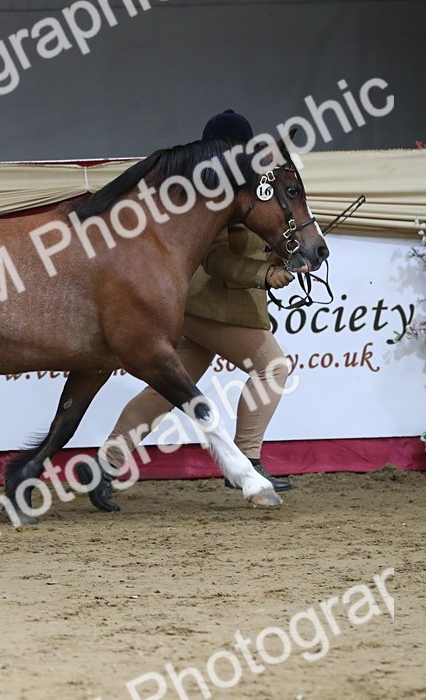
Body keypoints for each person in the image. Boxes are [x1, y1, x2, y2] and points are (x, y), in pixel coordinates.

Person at [97, 109, 295, 498]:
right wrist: (264, 274)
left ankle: (107, 464)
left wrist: (281, 256)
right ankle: (248, 460)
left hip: (196, 307)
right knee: (273, 368)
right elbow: (216, 261)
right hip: (213, 304)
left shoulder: (218, 185)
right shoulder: (224, 192)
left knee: (166, 387)